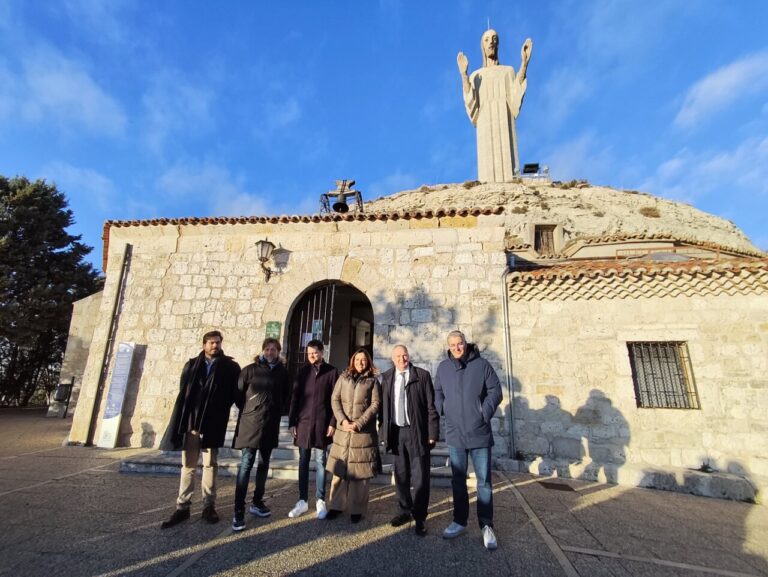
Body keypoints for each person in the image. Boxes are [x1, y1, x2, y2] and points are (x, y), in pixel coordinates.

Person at [159, 330, 241, 529]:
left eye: (218, 342)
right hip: (192, 423)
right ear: (204, 344)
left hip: (213, 423)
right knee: (188, 465)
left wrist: (220, 409)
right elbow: (185, 391)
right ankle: (182, 506)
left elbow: (234, 394)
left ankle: (208, 506)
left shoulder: (230, 367)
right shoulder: (192, 365)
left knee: (210, 464)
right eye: (211, 343)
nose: (215, 346)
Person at [434, 330, 503, 550]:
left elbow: (496, 390)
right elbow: (437, 391)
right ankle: (459, 520)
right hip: (455, 434)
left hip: (479, 432)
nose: (457, 348)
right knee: (458, 480)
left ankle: (486, 525)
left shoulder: (482, 365)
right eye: (453, 345)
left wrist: (484, 412)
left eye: (460, 343)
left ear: (466, 343)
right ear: (449, 347)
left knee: (484, 482)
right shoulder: (443, 368)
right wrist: (443, 408)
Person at [457, 29, 533, 182]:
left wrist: (524, 63)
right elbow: (471, 103)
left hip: (505, 121)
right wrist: (464, 75)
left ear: (498, 44)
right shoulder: (476, 76)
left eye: (494, 39)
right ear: (482, 46)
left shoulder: (508, 71)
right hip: (485, 124)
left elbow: (515, 93)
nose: (491, 42)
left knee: (509, 166)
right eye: (486, 40)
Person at [380, 344, 439, 537]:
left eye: (404, 355)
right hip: (396, 433)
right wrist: (383, 433)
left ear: (409, 356)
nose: (402, 359)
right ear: (392, 359)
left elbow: (431, 406)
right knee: (401, 475)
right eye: (397, 356)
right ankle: (405, 510)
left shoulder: (422, 376)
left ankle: (420, 517)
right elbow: (383, 409)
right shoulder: (387, 377)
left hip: (417, 433)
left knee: (420, 476)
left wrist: (432, 433)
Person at [231, 338, 290, 532]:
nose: (270, 352)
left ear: (279, 351)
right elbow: (238, 395)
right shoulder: (250, 370)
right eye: (267, 349)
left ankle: (257, 502)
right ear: (263, 350)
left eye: (274, 349)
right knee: (246, 464)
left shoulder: (282, 372)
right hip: (250, 424)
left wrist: (278, 409)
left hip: (270, 424)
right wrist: (250, 410)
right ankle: (238, 511)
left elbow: (286, 394)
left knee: (264, 464)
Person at [325, 348, 381, 523]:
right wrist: (342, 421)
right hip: (343, 432)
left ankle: (357, 509)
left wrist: (359, 423)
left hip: (362, 433)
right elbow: (335, 399)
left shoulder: (373, 381)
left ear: (368, 362)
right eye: (357, 360)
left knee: (360, 473)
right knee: (339, 472)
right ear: (352, 361)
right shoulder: (343, 378)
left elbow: (375, 404)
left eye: (363, 360)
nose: (360, 363)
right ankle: (335, 506)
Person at [286, 339, 339, 519]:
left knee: (321, 461)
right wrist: (292, 422)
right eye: (309, 353)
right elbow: (295, 398)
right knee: (303, 461)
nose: (312, 356)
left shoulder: (331, 371)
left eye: (315, 353)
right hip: (303, 423)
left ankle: (320, 500)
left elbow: (335, 400)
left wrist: (333, 422)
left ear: (322, 353)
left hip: (322, 424)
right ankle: (302, 501)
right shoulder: (302, 372)